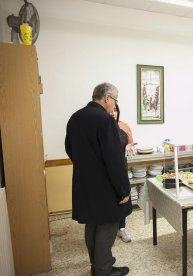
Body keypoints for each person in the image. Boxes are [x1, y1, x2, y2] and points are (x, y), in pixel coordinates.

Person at [65, 83, 131, 276]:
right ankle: (103, 271)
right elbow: (114, 159)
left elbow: (69, 147)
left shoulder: (75, 117)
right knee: (108, 226)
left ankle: (98, 264)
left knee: (92, 224)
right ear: (107, 98)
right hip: (105, 185)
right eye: (115, 100)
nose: (114, 105)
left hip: (84, 182)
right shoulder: (105, 120)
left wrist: (87, 167)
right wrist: (123, 190)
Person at [112, 104, 135, 243]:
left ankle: (122, 228)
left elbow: (131, 143)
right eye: (112, 110)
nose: (114, 113)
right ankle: (109, 230)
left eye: (116, 110)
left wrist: (129, 145)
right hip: (106, 168)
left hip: (121, 166)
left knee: (123, 196)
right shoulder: (102, 126)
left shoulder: (124, 126)